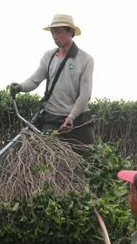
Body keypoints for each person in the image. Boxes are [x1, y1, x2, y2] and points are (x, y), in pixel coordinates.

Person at [8, 14, 95, 152]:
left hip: (78, 120)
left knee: (88, 159)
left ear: (71, 32)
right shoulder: (48, 56)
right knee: (48, 162)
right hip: (52, 119)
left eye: (59, 32)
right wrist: (20, 87)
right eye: (52, 32)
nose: (55, 36)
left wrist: (71, 117)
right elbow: (34, 80)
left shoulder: (85, 59)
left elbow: (85, 94)